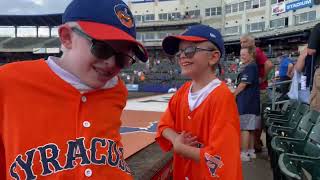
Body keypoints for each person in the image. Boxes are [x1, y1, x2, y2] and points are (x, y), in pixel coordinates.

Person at [0, 0, 148, 179]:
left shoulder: (117, 90)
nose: (111, 63)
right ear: (66, 37)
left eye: (122, 58)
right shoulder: (8, 81)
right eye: (101, 49)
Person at [156, 24, 243, 179]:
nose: (182, 56)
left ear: (213, 57)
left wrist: (181, 149)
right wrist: (176, 138)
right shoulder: (183, 91)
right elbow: (164, 125)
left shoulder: (222, 97)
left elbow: (220, 159)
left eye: (189, 50)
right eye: (180, 52)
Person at [240, 34, 273, 152]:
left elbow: (269, 64)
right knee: (254, 119)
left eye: (244, 42)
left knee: (253, 119)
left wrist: (263, 78)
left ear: (251, 42)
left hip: (259, 90)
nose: (242, 44)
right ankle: (255, 145)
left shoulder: (256, 51)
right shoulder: (253, 54)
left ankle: (256, 144)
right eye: (241, 42)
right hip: (258, 90)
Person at [233, 47, 260, 161]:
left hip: (246, 103)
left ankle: (243, 154)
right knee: (251, 128)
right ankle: (251, 151)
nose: (242, 57)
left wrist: (232, 96)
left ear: (251, 55)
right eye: (241, 54)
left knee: (244, 128)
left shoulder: (249, 67)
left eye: (244, 54)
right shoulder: (253, 66)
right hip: (252, 103)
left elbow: (243, 84)